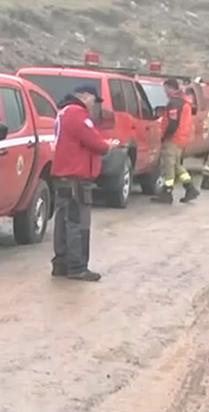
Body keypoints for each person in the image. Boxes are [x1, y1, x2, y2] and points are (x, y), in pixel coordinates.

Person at [51, 84, 118, 282]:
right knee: (77, 223)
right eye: (93, 100)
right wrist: (108, 146)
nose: (93, 105)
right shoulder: (77, 115)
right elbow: (94, 142)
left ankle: (61, 264)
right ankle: (77, 267)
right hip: (76, 178)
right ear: (85, 96)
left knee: (63, 222)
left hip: (64, 176)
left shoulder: (63, 113)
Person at [153, 78, 199, 204]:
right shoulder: (183, 102)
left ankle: (167, 193)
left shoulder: (175, 102)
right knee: (177, 165)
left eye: (166, 89)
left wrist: (165, 135)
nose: (165, 92)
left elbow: (172, 122)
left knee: (168, 165)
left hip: (173, 138)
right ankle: (190, 188)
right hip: (181, 138)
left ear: (170, 88)